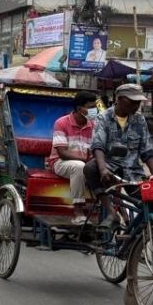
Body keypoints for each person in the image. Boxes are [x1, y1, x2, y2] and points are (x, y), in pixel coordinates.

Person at [86, 83, 153, 227]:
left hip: (133, 170)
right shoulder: (103, 118)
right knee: (90, 168)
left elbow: (147, 149)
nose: (136, 105)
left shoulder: (140, 120)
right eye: (132, 101)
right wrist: (102, 169)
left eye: (138, 102)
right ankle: (111, 213)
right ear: (119, 99)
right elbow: (98, 145)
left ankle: (145, 231)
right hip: (110, 167)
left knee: (151, 203)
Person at [48, 91, 99, 225]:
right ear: (79, 108)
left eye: (95, 106)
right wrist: (84, 159)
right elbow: (62, 153)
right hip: (60, 162)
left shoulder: (94, 125)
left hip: (86, 162)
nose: (94, 110)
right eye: (91, 107)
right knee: (79, 167)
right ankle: (78, 211)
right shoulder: (61, 123)